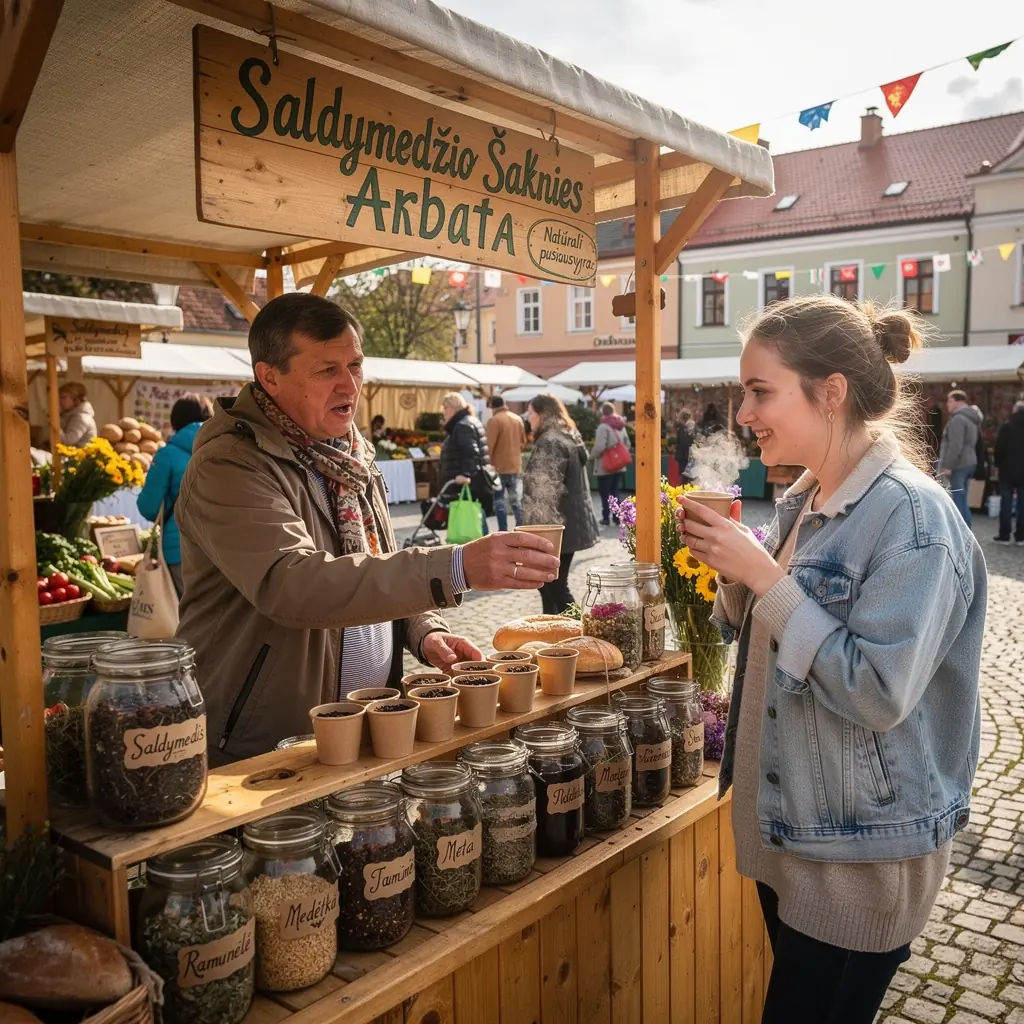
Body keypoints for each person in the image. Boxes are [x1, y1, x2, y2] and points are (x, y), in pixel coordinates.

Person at [676, 295, 986, 1024]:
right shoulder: (809, 498)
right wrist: (730, 570)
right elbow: (757, 627)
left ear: (832, 392)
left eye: (760, 391)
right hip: (798, 841)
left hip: (859, 861)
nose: (743, 414)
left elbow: (878, 691)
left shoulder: (915, 519)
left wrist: (763, 576)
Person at [175, 295, 559, 762]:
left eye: (355, 366)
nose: (349, 385)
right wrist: (456, 565)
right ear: (269, 377)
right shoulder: (229, 465)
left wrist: (423, 631)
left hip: (369, 724)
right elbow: (294, 584)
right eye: (326, 370)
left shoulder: (352, 455)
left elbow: (376, 563)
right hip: (271, 741)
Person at [523, 394, 599, 614]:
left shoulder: (552, 441)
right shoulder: (566, 435)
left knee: (554, 586)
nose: (529, 419)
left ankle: (580, 631)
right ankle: (552, 633)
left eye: (531, 413)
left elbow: (544, 492)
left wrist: (534, 529)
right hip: (566, 524)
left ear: (542, 414)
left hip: (556, 527)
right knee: (549, 586)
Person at [136, 393, 213, 597]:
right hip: (221, 548)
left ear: (175, 420)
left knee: (185, 616)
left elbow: (149, 506)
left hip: (180, 547)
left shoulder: (167, 454)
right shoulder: (224, 450)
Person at [439, 392, 502, 534]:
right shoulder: (469, 421)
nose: (444, 413)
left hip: (466, 482)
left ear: (452, 408)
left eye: (445, 408)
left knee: (472, 518)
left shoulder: (462, 425)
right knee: (475, 516)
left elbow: (471, 453)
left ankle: (481, 547)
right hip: (474, 480)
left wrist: (465, 474)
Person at [937, 389, 983, 525]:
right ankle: (966, 531)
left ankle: (963, 533)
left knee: (958, 500)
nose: (947, 404)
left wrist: (948, 465)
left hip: (959, 463)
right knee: (962, 498)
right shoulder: (971, 417)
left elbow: (956, 445)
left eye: (950, 401)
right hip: (969, 462)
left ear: (959, 402)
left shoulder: (959, 419)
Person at [485, 394, 526, 530]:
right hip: (515, 465)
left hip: (499, 467)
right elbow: (523, 442)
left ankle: (503, 530)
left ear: (492, 406)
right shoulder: (517, 419)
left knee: (499, 500)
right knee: (515, 500)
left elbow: (489, 446)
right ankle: (520, 526)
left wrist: (486, 463)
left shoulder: (495, 420)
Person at [591, 401, 631, 526]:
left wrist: (591, 457)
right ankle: (617, 516)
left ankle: (605, 517)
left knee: (605, 493)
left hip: (605, 466)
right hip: (619, 466)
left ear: (602, 412)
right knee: (615, 491)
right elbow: (627, 444)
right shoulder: (621, 426)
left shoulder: (603, 427)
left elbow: (599, 447)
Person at [993, 399, 1024, 544]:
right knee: (1022, 505)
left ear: (1014, 411)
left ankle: (1004, 534)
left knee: (1006, 503)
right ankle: (1021, 536)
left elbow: (998, 449)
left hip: (1007, 470)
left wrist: (998, 464)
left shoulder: (1006, 427)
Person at [58, 382, 97, 447]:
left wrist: (55, 424)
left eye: (63, 397)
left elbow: (68, 441)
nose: (60, 400)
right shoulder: (68, 414)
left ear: (75, 399)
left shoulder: (82, 417)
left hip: (81, 456)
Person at [674, 407, 695, 483]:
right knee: (687, 478)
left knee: (684, 478)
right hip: (687, 457)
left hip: (684, 457)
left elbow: (681, 443)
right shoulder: (690, 429)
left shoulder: (681, 430)